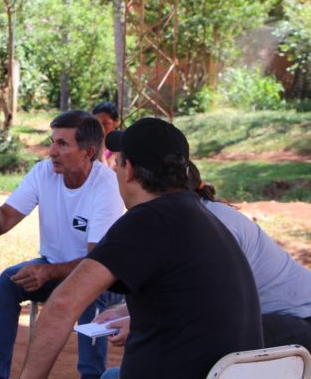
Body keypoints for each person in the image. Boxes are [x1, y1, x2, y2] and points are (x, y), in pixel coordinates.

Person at [20, 118, 263, 379]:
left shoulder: (149, 220)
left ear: (130, 170)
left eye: (118, 161)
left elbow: (63, 304)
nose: (114, 169)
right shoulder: (204, 216)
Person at [97, 160, 311, 379]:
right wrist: (122, 312)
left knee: (200, 343)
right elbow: (174, 291)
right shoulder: (191, 221)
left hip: (300, 320)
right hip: (266, 317)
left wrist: (136, 322)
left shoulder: (215, 225)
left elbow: (210, 306)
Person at [0, 110, 125, 379]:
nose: (52, 151)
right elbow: (0, 225)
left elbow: (96, 261)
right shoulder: (43, 172)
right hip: (55, 270)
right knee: (8, 282)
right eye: (52, 141)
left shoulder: (106, 185)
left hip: (103, 279)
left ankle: (91, 375)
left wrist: (47, 272)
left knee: (90, 291)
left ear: (88, 152)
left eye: (62, 144)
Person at [91, 101, 119, 170]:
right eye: (97, 123)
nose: (101, 127)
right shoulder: (90, 144)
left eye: (105, 123)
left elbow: (109, 174)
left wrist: (101, 154)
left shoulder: (119, 146)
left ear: (116, 122)